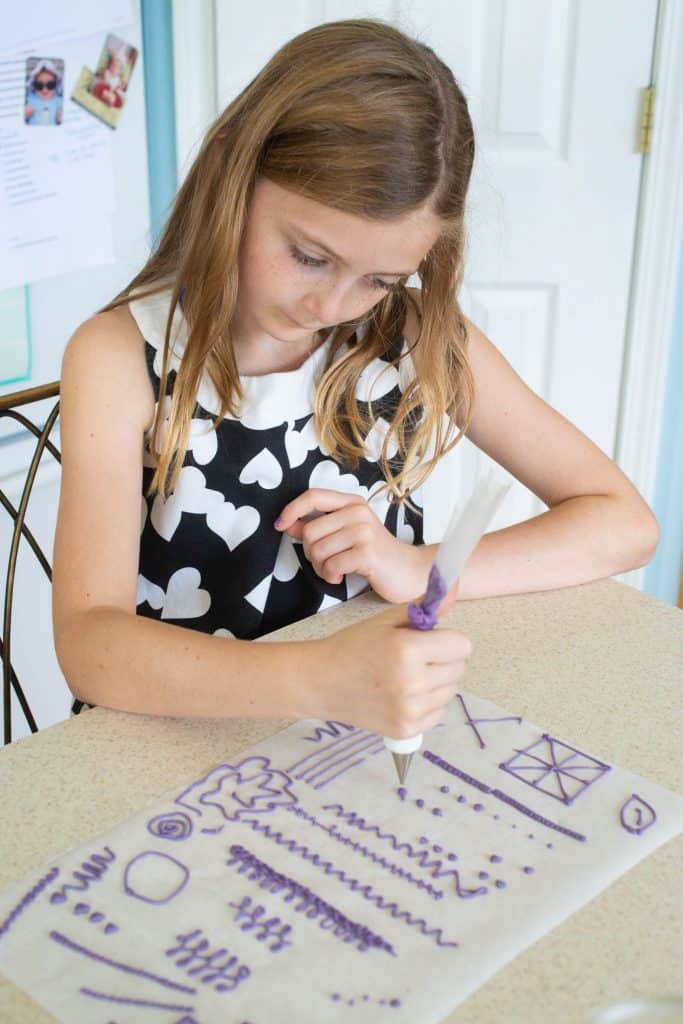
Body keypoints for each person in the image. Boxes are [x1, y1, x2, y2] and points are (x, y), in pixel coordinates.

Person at [53, 19, 658, 741]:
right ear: (227, 173)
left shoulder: (409, 338)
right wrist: (319, 677)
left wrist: (418, 567)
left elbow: (621, 522)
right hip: (169, 743)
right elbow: (91, 646)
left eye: (379, 278)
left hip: (348, 741)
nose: (329, 307)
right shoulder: (120, 357)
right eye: (309, 255)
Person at [24, 60, 63, 125]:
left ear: (56, 85)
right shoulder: (29, 99)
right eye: (39, 85)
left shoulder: (59, 101)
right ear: (33, 86)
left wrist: (61, 119)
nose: (44, 90)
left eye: (50, 85)